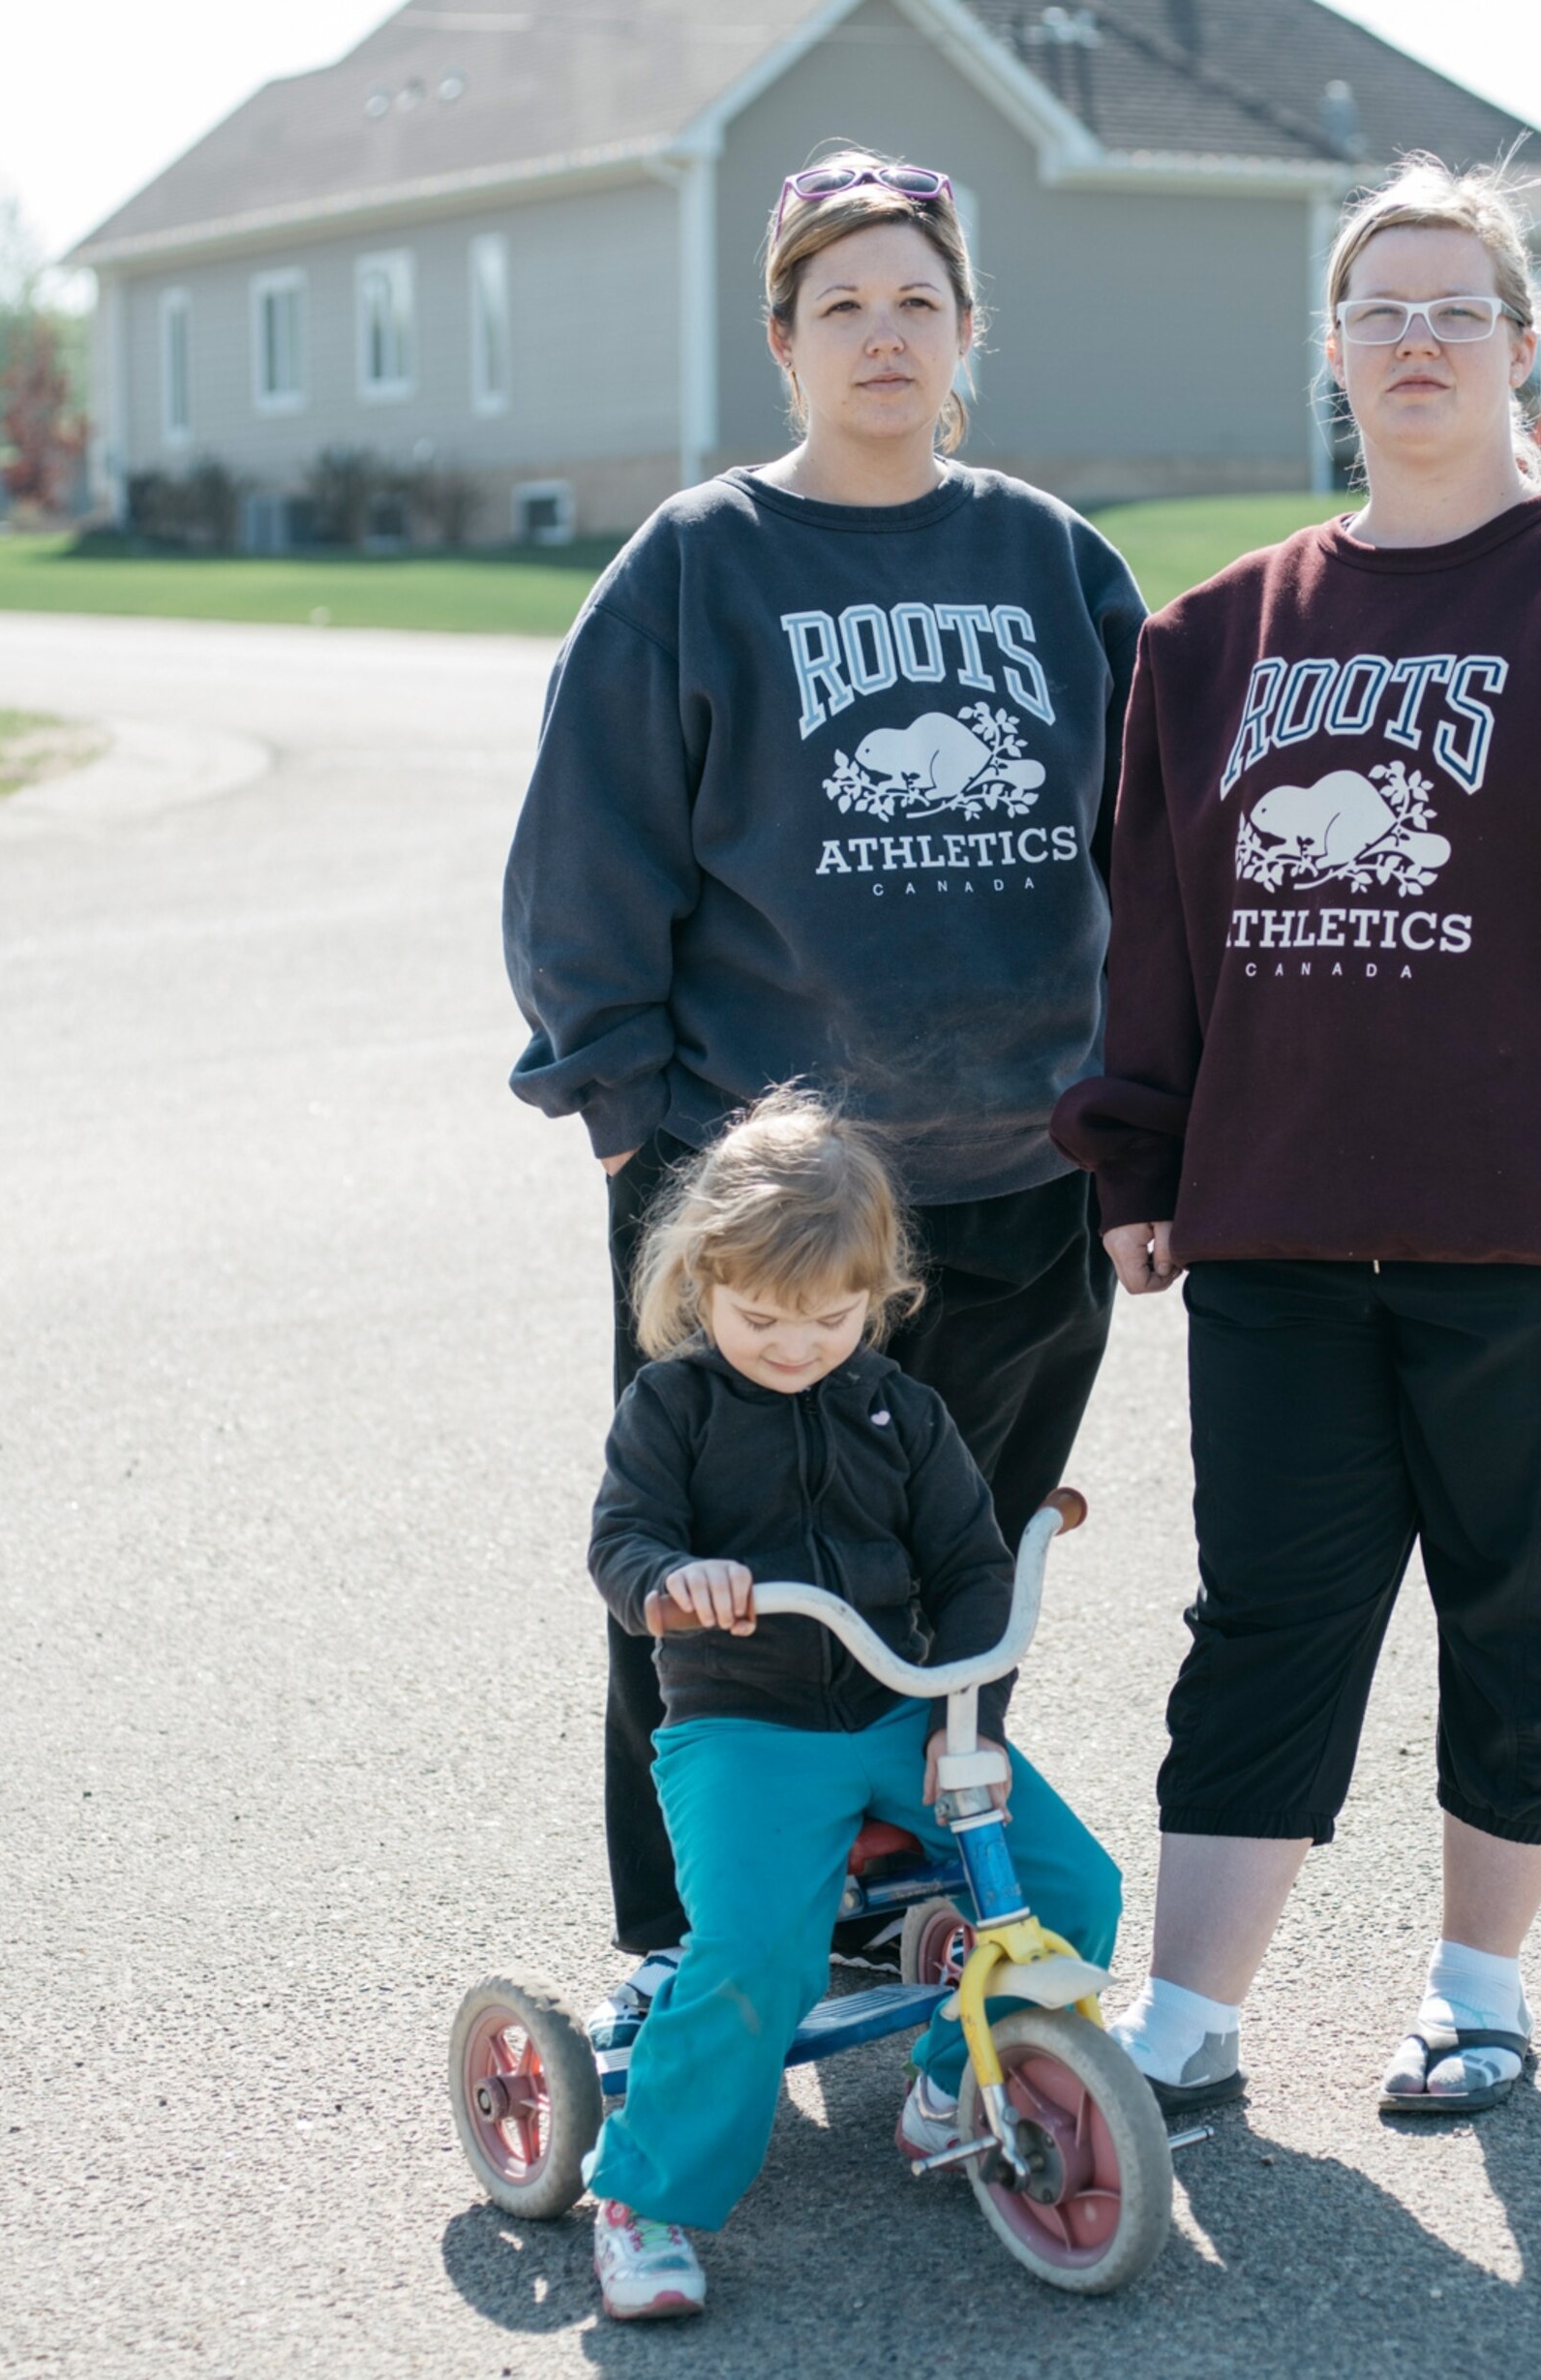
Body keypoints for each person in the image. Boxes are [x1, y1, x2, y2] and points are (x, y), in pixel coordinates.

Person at [1053, 155, 1541, 2121]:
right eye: (1381, 310)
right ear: (1332, 350)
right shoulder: (1213, 636)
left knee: (1538, 1607)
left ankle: (1476, 1983)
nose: (1418, 340)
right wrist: (1138, 1154)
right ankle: (1187, 2016)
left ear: (1518, 346)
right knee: (1268, 1613)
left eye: (1455, 309)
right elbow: (1156, 923)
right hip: (1282, 1215)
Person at [501, 149, 1144, 2015]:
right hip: (766, 1197)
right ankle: (685, 1934)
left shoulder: (1055, 564)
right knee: (713, 1581)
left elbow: (1153, 858)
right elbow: (584, 862)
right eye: (841, 303)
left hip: (1021, 1178)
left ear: (966, 334)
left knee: (962, 1569)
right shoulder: (697, 563)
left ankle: (911, 1886)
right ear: (781, 340)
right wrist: (629, 1125)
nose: (882, 334)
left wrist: (1132, 1122)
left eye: (915, 300)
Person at [577, 1088, 1122, 2319]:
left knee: (1072, 1888)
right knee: (755, 1956)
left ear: (876, 1295)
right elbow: (621, 1545)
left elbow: (972, 1570)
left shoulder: (900, 1411)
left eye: (830, 1317)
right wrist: (673, 1580)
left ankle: (953, 2079)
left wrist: (965, 1716)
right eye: (761, 1317)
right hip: (743, 1728)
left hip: (898, 1710)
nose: (795, 1345)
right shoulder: (673, 1408)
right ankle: (644, 2198)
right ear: (703, 1283)